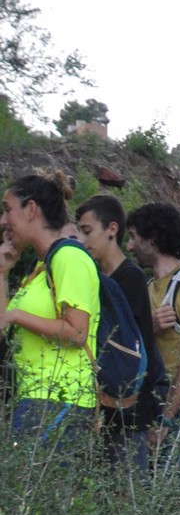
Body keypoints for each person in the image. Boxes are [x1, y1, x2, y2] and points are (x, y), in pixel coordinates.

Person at [3, 174, 99, 442]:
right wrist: (2, 273)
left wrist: (18, 315)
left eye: (8, 209)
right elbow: (4, 326)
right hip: (35, 399)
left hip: (59, 398)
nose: (3, 221)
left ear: (31, 209)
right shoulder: (40, 268)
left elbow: (77, 332)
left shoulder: (69, 257)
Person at [76, 194, 162, 468]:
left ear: (112, 229)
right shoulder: (99, 278)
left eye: (87, 231)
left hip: (128, 411)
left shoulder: (131, 278)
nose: (82, 239)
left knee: (124, 486)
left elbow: (124, 345)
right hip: (107, 408)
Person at [128, 202, 180, 473]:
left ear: (152, 239)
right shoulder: (146, 287)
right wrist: (150, 327)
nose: (129, 246)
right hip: (149, 408)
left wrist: (166, 418)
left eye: (133, 237)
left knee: (172, 489)